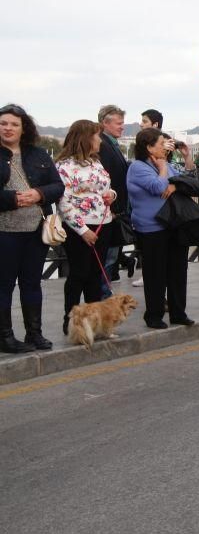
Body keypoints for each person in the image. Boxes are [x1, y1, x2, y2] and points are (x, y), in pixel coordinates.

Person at [0, 104, 65, 353]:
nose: (8, 128)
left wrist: (39, 193)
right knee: (4, 285)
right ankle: (5, 336)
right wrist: (12, 199)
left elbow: (57, 186)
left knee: (31, 283)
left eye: (14, 124)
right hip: (4, 232)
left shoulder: (38, 154)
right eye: (4, 123)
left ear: (23, 127)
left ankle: (34, 334)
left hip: (36, 230)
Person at [127, 128, 193, 329]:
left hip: (173, 224)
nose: (165, 148)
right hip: (151, 227)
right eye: (161, 144)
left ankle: (178, 313)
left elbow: (187, 180)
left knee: (178, 270)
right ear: (148, 147)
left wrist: (186, 161)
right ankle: (154, 315)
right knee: (155, 274)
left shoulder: (166, 164)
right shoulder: (138, 167)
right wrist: (164, 169)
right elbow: (157, 187)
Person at [55, 120, 117, 335]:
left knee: (95, 275)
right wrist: (82, 230)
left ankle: (93, 319)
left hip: (103, 223)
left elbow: (107, 189)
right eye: (97, 136)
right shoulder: (64, 166)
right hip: (79, 228)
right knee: (79, 274)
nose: (100, 140)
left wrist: (112, 195)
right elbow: (64, 202)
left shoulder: (96, 162)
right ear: (86, 138)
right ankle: (70, 319)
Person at [97, 104, 131, 288]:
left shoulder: (112, 144)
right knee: (107, 259)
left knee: (111, 257)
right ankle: (103, 297)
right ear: (105, 123)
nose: (122, 127)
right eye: (119, 123)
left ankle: (104, 294)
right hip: (110, 211)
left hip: (116, 209)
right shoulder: (102, 145)